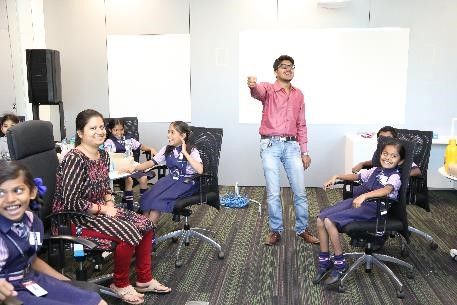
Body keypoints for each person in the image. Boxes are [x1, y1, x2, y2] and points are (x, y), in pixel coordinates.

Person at [52, 109, 170, 305]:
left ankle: (144, 279)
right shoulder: (74, 159)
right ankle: (120, 283)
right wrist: (105, 210)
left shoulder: (104, 155)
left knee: (147, 224)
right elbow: (71, 202)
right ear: (80, 133)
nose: (99, 131)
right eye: (92, 128)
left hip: (100, 210)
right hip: (74, 217)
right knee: (129, 231)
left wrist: (108, 201)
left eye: (100, 127)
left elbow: (105, 187)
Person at [0, 160, 107, 305]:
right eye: (1, 193)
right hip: (9, 294)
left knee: (97, 302)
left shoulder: (33, 222)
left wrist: (67, 284)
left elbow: (32, 259)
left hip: (31, 279)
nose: (10, 199)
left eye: (18, 190)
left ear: (32, 192)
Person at [247, 54, 319, 246]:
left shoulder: (299, 94)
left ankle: (302, 229)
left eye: (291, 66)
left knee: (300, 191)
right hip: (270, 145)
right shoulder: (268, 89)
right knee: (272, 191)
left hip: (292, 146)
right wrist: (252, 85)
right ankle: (275, 230)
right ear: (276, 71)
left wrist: (304, 151)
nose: (288, 69)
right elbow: (258, 92)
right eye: (283, 66)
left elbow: (301, 124)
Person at [314, 139, 405, 286]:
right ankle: (324, 261)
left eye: (393, 156)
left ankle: (340, 263)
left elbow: (386, 190)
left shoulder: (395, 176)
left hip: (373, 208)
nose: (388, 158)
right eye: (385, 154)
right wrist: (337, 176)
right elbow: (357, 176)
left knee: (329, 221)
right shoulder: (376, 170)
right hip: (358, 202)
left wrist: (365, 195)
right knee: (320, 219)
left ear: (400, 161)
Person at [128, 121, 203, 227]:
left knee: (157, 202)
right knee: (148, 197)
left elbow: (200, 170)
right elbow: (151, 162)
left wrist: (185, 152)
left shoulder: (192, 151)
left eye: (172, 132)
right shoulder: (167, 149)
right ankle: (144, 226)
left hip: (186, 182)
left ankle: (147, 232)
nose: (168, 135)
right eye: (168, 132)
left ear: (183, 136)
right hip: (171, 180)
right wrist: (134, 167)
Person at [104, 119, 157, 211]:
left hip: (131, 166)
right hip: (118, 169)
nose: (119, 132)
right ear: (110, 130)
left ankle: (143, 206)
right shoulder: (109, 142)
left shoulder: (129, 139)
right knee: (129, 180)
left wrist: (150, 148)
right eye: (116, 130)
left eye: (121, 129)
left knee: (144, 178)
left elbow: (141, 146)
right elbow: (108, 157)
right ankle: (130, 208)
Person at [352, 126, 421, 176]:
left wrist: (398, 175)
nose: (384, 141)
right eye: (382, 138)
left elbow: (417, 171)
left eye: (388, 138)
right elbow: (375, 161)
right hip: (375, 182)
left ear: (396, 139)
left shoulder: (399, 153)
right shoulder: (381, 151)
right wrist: (362, 163)